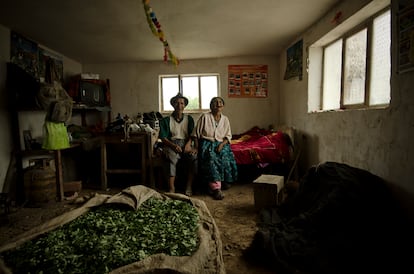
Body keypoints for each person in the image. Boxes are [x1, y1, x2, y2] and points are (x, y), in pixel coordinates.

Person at [192, 97, 238, 200]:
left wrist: (222, 145)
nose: (218, 104)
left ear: (223, 106)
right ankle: (216, 188)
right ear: (211, 106)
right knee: (211, 158)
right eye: (215, 102)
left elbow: (228, 136)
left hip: (221, 143)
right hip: (207, 143)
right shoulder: (205, 117)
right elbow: (196, 134)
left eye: (220, 102)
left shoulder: (225, 119)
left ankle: (225, 180)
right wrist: (196, 147)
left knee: (226, 155)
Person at [158, 94, 197, 196]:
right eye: (176, 103)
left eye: (182, 103)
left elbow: (192, 135)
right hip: (171, 144)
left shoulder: (189, 119)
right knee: (171, 157)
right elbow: (163, 138)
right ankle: (171, 188)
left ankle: (189, 186)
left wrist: (188, 145)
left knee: (193, 157)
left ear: (184, 106)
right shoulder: (166, 120)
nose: (179, 105)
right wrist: (173, 146)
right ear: (173, 105)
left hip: (186, 144)